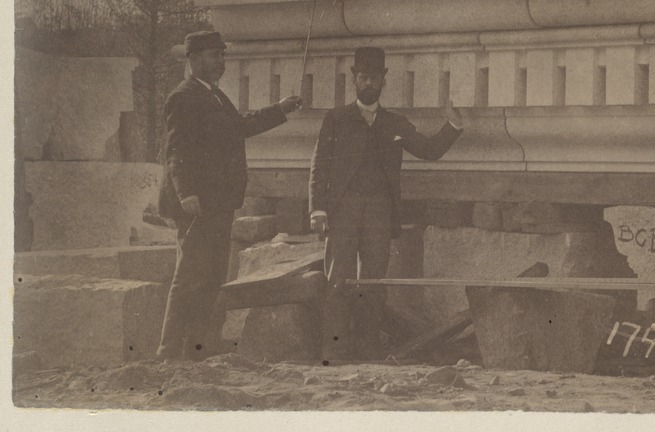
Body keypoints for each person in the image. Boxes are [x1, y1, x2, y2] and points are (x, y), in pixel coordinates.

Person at [309, 46, 463, 363]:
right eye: (363, 77)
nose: (369, 83)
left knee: (374, 281)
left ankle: (367, 349)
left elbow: (429, 150)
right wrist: (318, 209)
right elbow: (319, 167)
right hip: (343, 209)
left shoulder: (394, 123)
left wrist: (453, 127)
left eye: (374, 78)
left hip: (380, 210)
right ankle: (334, 351)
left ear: (383, 81)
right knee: (338, 279)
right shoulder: (336, 119)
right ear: (354, 79)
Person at [156, 30, 302, 362]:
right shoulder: (182, 97)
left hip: (218, 204)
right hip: (195, 205)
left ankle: (198, 347)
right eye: (213, 55)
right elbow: (175, 151)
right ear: (193, 60)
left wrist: (280, 110)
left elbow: (241, 126)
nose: (221, 62)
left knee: (212, 275)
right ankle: (167, 351)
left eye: (222, 55)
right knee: (189, 275)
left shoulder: (216, 97)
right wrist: (186, 192)